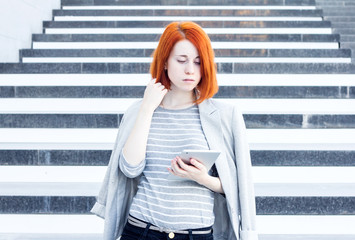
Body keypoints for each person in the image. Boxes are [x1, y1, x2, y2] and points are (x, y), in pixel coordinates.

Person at [91, 21, 258, 240]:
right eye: (182, 60)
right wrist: (147, 108)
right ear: (165, 62)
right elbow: (130, 168)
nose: (190, 69)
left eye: (198, 62)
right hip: (141, 231)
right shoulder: (140, 111)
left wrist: (203, 178)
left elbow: (240, 188)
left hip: (195, 235)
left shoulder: (225, 115)